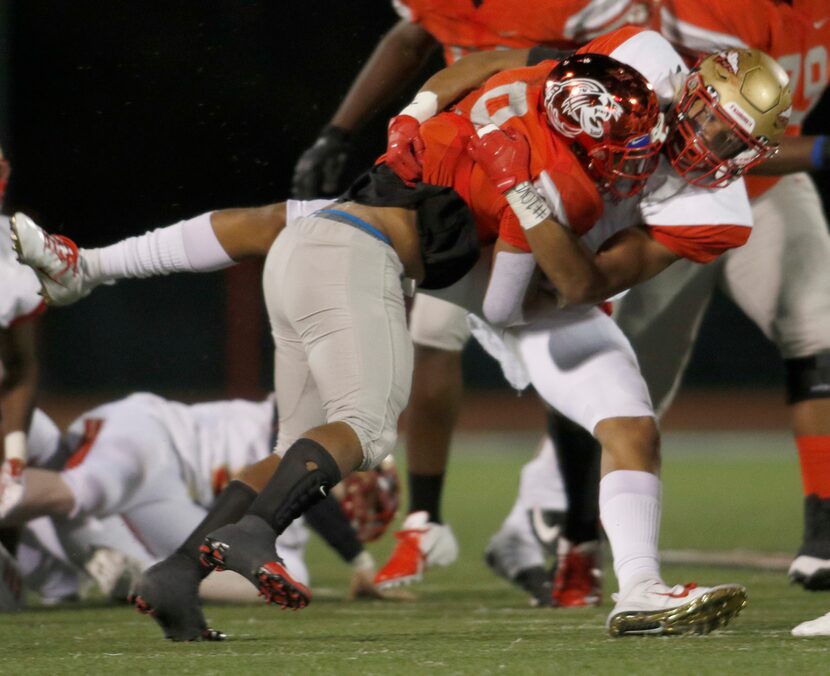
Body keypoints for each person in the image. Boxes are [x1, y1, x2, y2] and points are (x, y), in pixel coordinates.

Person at [12, 31, 774, 637]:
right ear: (692, 85)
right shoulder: (627, 63)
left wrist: (527, 197)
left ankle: (638, 585)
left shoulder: (717, 208)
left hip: (547, 285)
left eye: (735, 143)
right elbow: (497, 60)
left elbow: (578, 286)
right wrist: (416, 112)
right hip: (468, 235)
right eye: (711, 120)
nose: (714, 147)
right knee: (299, 226)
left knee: (633, 428)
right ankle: (96, 270)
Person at [293, 2, 654, 593]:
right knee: (432, 335)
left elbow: (587, 67)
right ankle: (425, 521)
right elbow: (416, 43)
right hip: (463, 176)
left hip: (559, 174)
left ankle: (580, 538)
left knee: (566, 349)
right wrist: (345, 128)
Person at [487, 0, 830, 614]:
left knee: (814, 330)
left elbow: (744, 142)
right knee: (617, 364)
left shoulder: (813, 19)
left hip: (732, 195)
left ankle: (815, 533)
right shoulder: (679, 35)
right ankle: (549, 520)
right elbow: (715, 124)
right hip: (604, 193)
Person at [0, 395, 391, 610]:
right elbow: (304, 463)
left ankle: (134, 576)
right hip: (155, 438)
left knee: (57, 580)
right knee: (85, 490)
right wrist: (358, 559)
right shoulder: (299, 420)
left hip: (160, 497)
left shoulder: (287, 515)